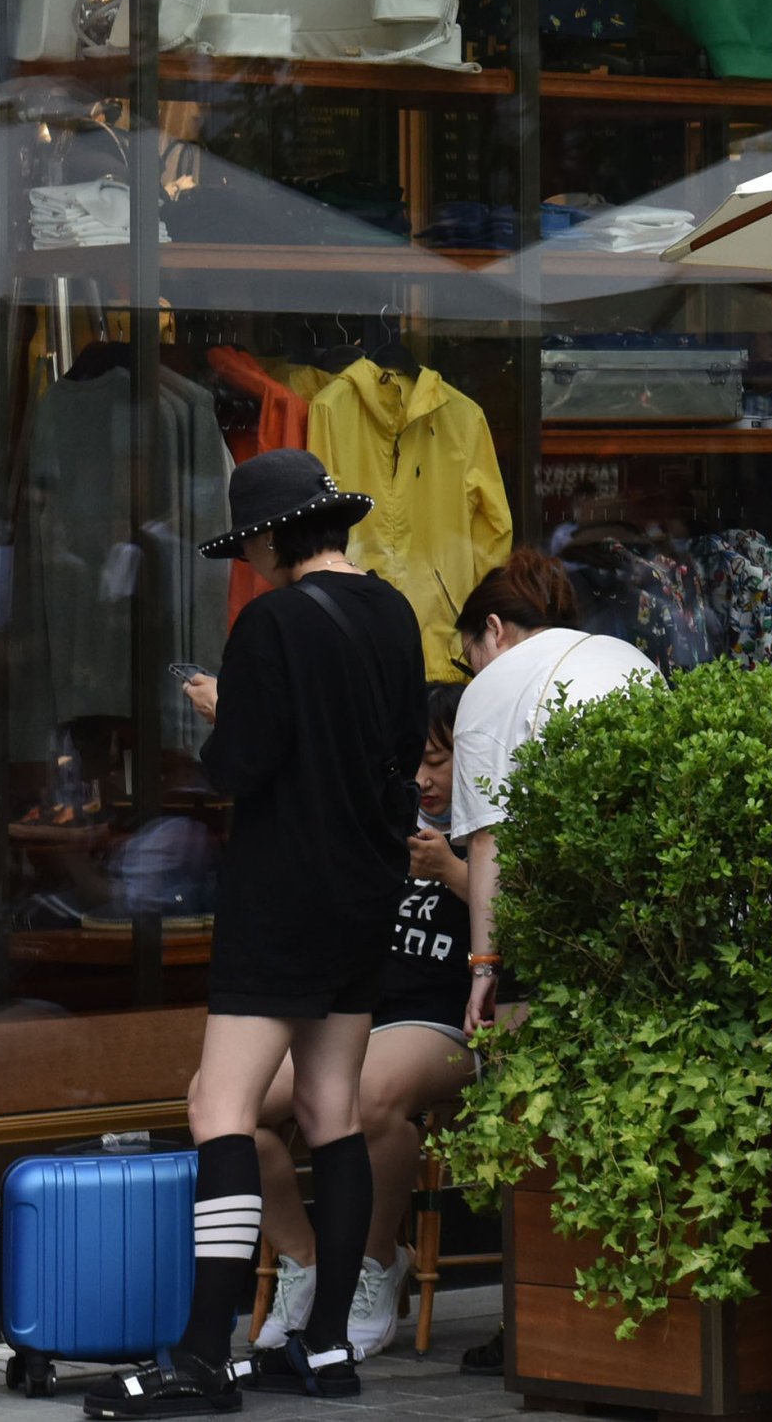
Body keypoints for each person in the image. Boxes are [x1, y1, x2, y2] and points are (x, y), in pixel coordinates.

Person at [90, 450, 429, 1414]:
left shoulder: (269, 622)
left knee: (219, 1106)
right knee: (332, 1110)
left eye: (254, 545)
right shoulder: (394, 612)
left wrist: (217, 707)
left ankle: (200, 1353)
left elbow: (240, 763)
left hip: (281, 894)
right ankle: (324, 1346)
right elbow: (404, 747)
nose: (253, 562)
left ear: (276, 537)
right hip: (367, 891)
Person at [251, 685, 476, 1364]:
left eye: (440, 761)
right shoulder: (383, 816)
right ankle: (310, 1261)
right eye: (416, 761)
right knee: (228, 1099)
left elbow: (534, 927)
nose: (425, 779)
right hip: (358, 1010)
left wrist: (454, 872)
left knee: (372, 1093)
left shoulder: (494, 823)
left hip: (446, 1018)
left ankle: (376, 1265)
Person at [451, 552, 660, 1038]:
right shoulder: (625, 654)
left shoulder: (491, 689)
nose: (473, 673)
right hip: (652, 907)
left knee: (527, 1068)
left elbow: (488, 839)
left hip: (564, 915)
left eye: (469, 658)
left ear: (494, 628)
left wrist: (484, 965)